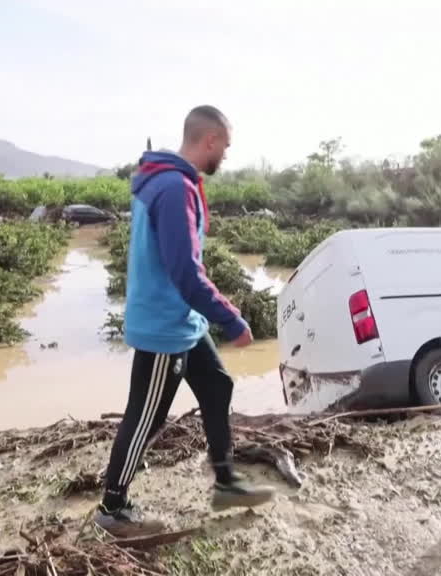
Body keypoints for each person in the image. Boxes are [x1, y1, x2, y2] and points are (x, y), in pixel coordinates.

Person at [95, 106, 276, 537]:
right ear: (209, 140)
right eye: (226, 147)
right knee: (147, 416)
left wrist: (209, 308)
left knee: (218, 385)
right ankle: (112, 509)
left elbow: (181, 264)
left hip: (184, 319)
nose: (226, 157)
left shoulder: (165, 179)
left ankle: (227, 482)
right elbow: (185, 272)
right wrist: (232, 319)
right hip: (164, 326)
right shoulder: (175, 187)